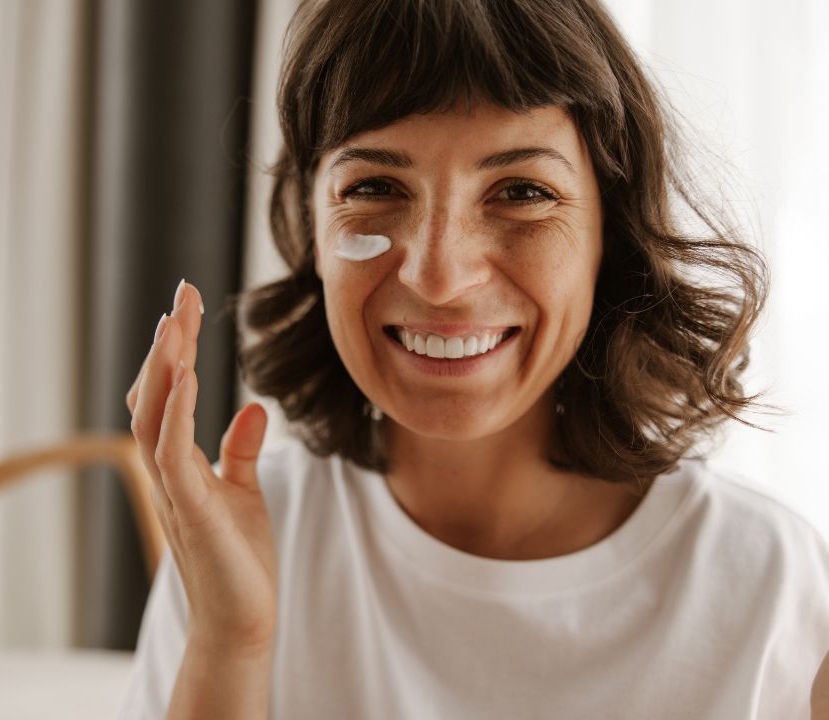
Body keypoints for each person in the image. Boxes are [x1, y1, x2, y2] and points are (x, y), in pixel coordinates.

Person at [120, 1, 829, 717]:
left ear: (609, 233)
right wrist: (229, 643)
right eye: (373, 188)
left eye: (521, 192)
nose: (439, 276)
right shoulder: (239, 539)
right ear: (311, 229)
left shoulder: (770, 588)